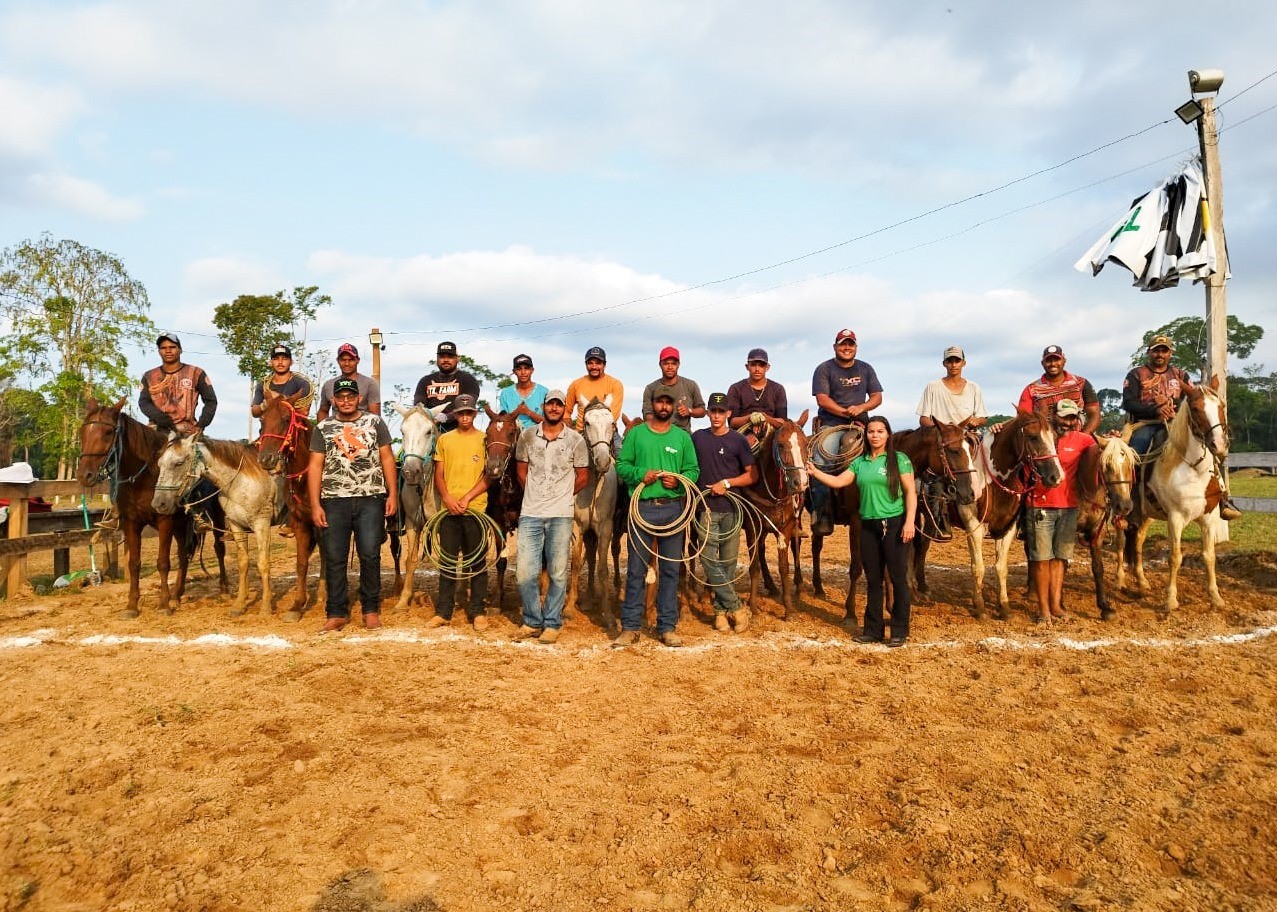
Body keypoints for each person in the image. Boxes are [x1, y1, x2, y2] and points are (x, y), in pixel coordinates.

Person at [807, 416, 916, 647]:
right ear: (866, 435)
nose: (875, 435)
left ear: (888, 434)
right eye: (871, 432)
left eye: (880, 431)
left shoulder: (899, 459)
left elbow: (910, 493)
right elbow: (838, 482)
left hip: (893, 524)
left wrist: (909, 522)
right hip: (868, 526)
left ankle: (899, 630)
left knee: (898, 579)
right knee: (873, 580)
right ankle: (873, 630)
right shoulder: (860, 463)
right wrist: (815, 472)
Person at [307, 378, 398, 632]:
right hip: (334, 499)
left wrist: (392, 495)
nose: (346, 401)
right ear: (333, 400)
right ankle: (336, 612)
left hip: (371, 497)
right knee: (335, 557)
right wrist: (315, 504)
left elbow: (387, 457)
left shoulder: (375, 423)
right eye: (340, 397)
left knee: (370, 554)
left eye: (350, 396)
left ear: (359, 398)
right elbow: (315, 465)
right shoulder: (323, 427)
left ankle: (370, 609)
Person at [614, 389, 700, 647]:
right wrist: (641, 474)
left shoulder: (682, 437)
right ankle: (630, 627)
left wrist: (679, 482)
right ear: (652, 405)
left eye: (668, 402)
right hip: (642, 507)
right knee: (636, 569)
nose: (664, 406)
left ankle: (666, 627)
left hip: (673, 509)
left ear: (673, 407)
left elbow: (693, 470)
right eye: (660, 402)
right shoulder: (637, 434)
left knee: (671, 570)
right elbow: (622, 465)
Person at [1121, 334, 1241, 520]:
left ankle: (1224, 498)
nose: (1160, 354)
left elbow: (1192, 399)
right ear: (1149, 352)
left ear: (1170, 353)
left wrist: (1172, 406)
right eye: (1156, 350)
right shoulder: (1136, 374)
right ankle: (1131, 501)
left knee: (1212, 450)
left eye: (1164, 350)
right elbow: (1129, 403)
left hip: (1177, 423)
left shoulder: (1181, 375)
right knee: (1135, 453)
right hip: (1145, 424)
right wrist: (1156, 409)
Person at [513, 390, 590, 643]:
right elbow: (521, 472)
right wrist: (537, 493)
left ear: (563, 409)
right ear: (544, 406)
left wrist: (563, 495)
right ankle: (532, 620)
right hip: (531, 513)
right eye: (550, 404)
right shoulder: (527, 437)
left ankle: (552, 623)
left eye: (559, 405)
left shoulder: (576, 440)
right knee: (525, 572)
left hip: (561, 515)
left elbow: (583, 476)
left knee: (557, 572)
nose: (554, 408)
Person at [1023, 399, 1095, 624]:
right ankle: (1043, 609)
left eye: (1073, 417)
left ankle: (1055, 604)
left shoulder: (1082, 439)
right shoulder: (1040, 435)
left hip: (1069, 506)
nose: (1068, 422)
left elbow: (1098, 448)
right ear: (1054, 416)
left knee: (1060, 558)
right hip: (1040, 505)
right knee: (1041, 559)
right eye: (1064, 417)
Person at [692, 393, 758, 633]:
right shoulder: (697, 438)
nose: (717, 416)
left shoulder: (738, 441)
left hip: (732, 508)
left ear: (729, 413)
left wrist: (727, 484)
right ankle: (735, 607)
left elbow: (752, 475)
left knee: (728, 562)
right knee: (708, 559)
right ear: (708, 413)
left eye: (721, 411)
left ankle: (720, 613)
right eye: (713, 411)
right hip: (705, 508)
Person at [809, 328, 883, 535]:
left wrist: (861, 408)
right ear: (835, 347)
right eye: (843, 344)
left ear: (856, 347)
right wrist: (845, 412)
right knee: (821, 460)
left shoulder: (866, 369)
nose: (846, 347)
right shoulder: (824, 369)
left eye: (850, 344)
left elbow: (877, 396)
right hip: (832, 424)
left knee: (889, 454)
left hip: (861, 423)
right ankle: (822, 510)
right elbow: (822, 399)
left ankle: (890, 503)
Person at [428, 394, 491, 630]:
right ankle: (443, 611)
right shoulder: (445, 440)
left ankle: (478, 611)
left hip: (475, 509)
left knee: (477, 562)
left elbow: (489, 476)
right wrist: (447, 498)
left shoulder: (485, 439)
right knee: (448, 562)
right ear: (455, 415)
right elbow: (438, 474)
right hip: (449, 511)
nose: (465, 416)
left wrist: (466, 498)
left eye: (469, 412)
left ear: (475, 414)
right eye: (461, 412)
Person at [139, 331, 217, 435]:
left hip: (186, 431)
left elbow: (211, 401)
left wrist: (200, 425)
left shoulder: (196, 373)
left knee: (201, 450)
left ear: (180, 350)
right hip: (157, 430)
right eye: (163, 348)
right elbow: (144, 403)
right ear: (159, 351)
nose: (168, 351)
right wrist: (164, 420)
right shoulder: (149, 376)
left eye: (172, 347)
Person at [1017, 345, 1100, 434]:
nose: (1053, 364)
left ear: (1064, 361)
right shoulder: (1031, 389)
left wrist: (1083, 438)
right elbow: (1023, 420)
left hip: (1077, 437)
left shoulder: (1081, 383)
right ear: (1042, 363)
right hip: (1046, 442)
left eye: (1057, 360)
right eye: (1048, 361)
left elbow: (1094, 414)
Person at [414, 341, 481, 433]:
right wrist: (430, 418)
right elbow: (419, 406)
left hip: (459, 431)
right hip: (429, 431)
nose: (446, 360)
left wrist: (447, 417)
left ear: (457, 359)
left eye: (450, 356)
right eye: (442, 357)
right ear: (437, 359)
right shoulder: (425, 381)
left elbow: (467, 406)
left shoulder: (468, 380)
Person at [725, 348, 788, 445]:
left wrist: (765, 418)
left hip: (772, 436)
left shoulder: (778, 389)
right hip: (743, 435)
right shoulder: (736, 388)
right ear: (747, 367)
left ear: (767, 367)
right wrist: (750, 418)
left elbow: (782, 422)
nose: (757, 369)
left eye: (761, 365)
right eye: (753, 365)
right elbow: (732, 422)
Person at [916, 346, 987, 429]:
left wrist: (977, 421)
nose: (953, 365)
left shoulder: (973, 387)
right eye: (949, 361)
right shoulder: (933, 387)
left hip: (966, 433)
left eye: (957, 361)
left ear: (964, 363)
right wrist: (940, 429)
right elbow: (924, 419)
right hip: (941, 437)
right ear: (944, 364)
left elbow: (983, 418)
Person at [641, 346, 706, 432]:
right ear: (660, 364)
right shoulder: (651, 388)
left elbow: (702, 411)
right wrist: (661, 420)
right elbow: (647, 415)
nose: (670, 367)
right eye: (666, 363)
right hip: (658, 434)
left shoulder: (690, 385)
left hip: (683, 434)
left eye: (673, 363)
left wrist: (689, 411)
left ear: (678, 365)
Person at [316, 343, 381, 421]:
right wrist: (322, 430)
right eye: (343, 360)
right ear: (338, 361)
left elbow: (375, 414)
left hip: (361, 428)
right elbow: (323, 411)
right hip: (336, 429)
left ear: (358, 360)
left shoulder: (370, 384)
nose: (347, 363)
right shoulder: (328, 385)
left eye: (351, 360)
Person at [565, 346, 625, 430]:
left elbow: (613, 415)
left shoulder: (615, 384)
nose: (594, 367)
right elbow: (566, 412)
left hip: (607, 431)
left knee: (622, 443)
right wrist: (569, 430)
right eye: (590, 363)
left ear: (604, 365)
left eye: (598, 363)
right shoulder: (576, 384)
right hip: (581, 432)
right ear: (586, 364)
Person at [250, 343, 315, 419]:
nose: (280, 362)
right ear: (270, 363)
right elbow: (254, 412)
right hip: (270, 428)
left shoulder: (302, 384)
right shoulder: (263, 385)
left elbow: (304, 411)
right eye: (276, 359)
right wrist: (264, 405)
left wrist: (278, 398)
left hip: (295, 427)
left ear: (291, 362)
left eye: (285, 359)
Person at [497, 353, 547, 430]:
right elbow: (503, 421)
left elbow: (549, 422)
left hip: (538, 437)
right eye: (519, 369)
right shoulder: (506, 393)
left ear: (532, 370)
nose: (523, 372)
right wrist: (517, 412)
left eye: (526, 368)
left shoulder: (544, 392)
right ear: (514, 371)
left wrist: (528, 412)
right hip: (513, 438)